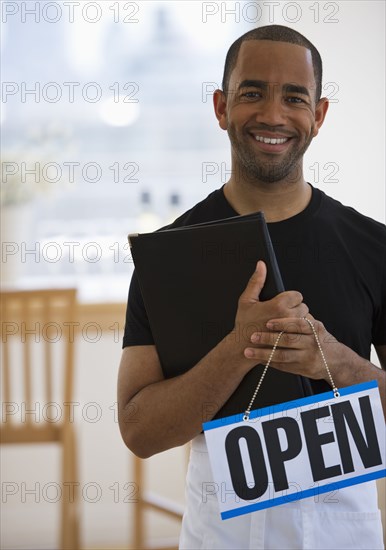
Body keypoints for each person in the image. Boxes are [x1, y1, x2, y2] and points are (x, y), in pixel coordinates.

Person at [118, 25, 386, 549]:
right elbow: (140, 432)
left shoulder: (374, 248)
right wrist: (242, 347)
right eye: (252, 92)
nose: (272, 115)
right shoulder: (167, 257)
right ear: (220, 107)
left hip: (343, 535)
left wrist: (334, 360)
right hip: (220, 537)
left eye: (294, 97)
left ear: (319, 115)